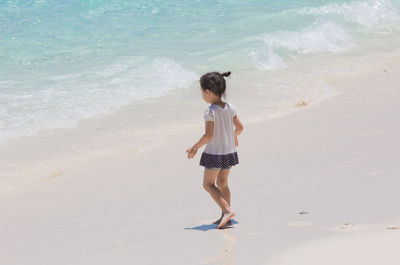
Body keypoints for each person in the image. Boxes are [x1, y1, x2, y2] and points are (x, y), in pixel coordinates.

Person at [186, 71, 244, 229]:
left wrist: (195, 147)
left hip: (215, 153)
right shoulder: (230, 107)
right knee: (223, 183)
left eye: (202, 92)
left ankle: (227, 211)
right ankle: (226, 217)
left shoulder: (210, 111)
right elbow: (240, 128)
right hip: (229, 152)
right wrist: (233, 136)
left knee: (208, 184)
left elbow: (209, 135)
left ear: (208, 92)